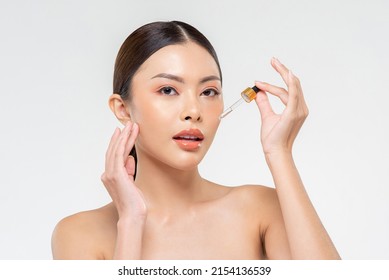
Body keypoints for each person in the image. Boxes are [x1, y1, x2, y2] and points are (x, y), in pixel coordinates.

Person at [51, 21, 340, 260]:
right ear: (122, 108)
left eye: (209, 92)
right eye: (167, 90)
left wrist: (280, 152)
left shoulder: (259, 209)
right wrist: (130, 222)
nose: (193, 112)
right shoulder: (79, 233)